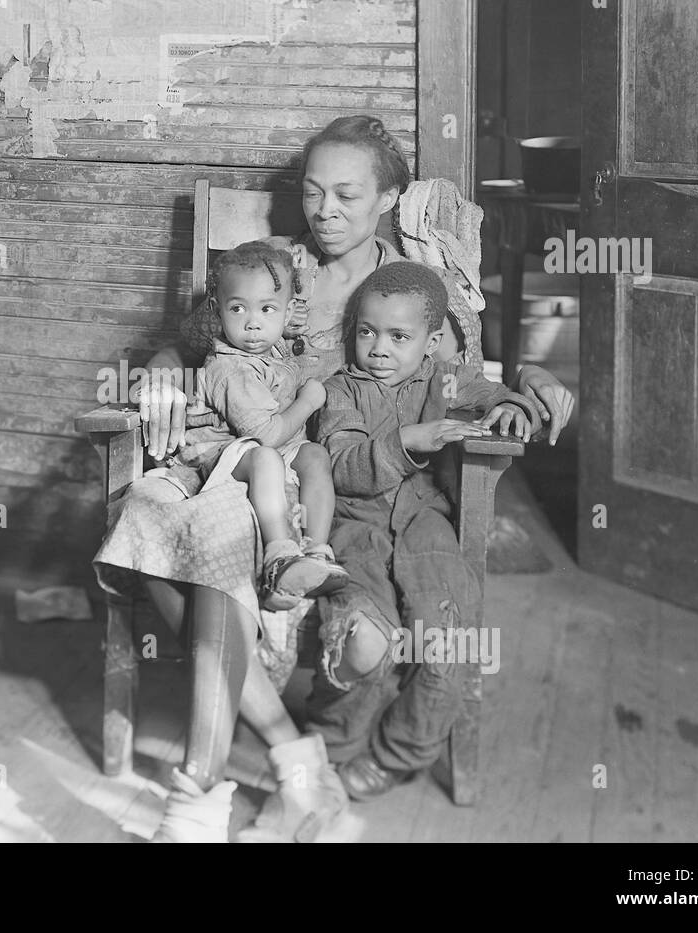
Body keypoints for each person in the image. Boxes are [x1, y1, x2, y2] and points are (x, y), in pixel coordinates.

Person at [93, 114, 576, 843]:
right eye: (314, 192)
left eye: (347, 195)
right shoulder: (276, 270)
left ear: (387, 199)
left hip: (330, 490)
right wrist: (161, 378)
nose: (325, 211)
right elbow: (186, 342)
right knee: (153, 521)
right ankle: (293, 765)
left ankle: (228, 787)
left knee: (219, 550)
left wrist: (533, 374)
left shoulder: (408, 286)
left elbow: (464, 381)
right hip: (250, 465)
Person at [313, 261, 541, 796]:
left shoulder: (445, 378)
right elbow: (341, 463)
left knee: (448, 633)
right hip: (355, 529)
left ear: (433, 341)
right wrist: (408, 440)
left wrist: (511, 406)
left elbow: (486, 391)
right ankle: (333, 744)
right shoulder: (341, 390)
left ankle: (401, 753)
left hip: (425, 524)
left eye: (399, 336)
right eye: (366, 332)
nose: (378, 349)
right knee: (363, 635)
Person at [173, 240, 348, 609]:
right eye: (238, 309)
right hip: (220, 453)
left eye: (267, 309)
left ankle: (315, 553)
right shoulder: (228, 368)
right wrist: (308, 401)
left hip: (267, 446)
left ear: (287, 317)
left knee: (315, 455)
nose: (253, 323)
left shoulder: (272, 347)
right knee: (266, 458)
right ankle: (279, 556)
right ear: (218, 314)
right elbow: (266, 435)